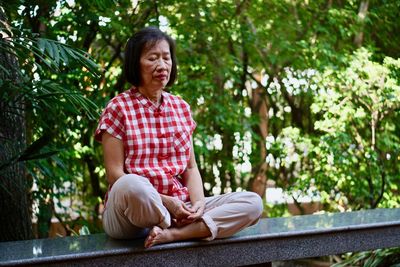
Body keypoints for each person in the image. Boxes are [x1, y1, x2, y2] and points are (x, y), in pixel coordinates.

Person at [95, 26, 263, 248]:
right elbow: (115, 174)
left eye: (166, 58)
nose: (162, 65)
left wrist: (198, 204)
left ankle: (173, 235)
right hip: (131, 215)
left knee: (252, 203)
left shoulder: (180, 107)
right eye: (152, 58)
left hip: (179, 206)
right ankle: (179, 225)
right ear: (135, 63)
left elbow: (190, 169)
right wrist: (168, 204)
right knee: (131, 184)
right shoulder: (118, 107)